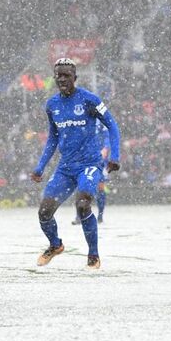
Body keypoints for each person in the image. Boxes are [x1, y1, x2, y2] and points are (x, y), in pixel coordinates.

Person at [32, 58, 120, 269]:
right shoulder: (52, 105)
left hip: (89, 164)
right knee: (44, 212)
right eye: (59, 75)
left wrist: (115, 156)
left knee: (82, 204)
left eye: (66, 75)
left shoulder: (89, 100)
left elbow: (112, 125)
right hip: (65, 168)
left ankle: (93, 255)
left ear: (75, 77)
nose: (62, 79)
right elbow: (53, 138)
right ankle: (55, 245)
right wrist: (40, 166)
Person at [71, 126, 111, 225]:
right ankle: (79, 216)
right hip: (85, 158)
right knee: (81, 186)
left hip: (100, 160)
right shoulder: (82, 121)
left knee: (100, 187)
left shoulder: (101, 122)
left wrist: (106, 148)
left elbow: (108, 136)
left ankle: (100, 216)